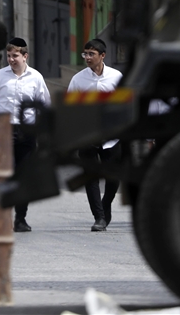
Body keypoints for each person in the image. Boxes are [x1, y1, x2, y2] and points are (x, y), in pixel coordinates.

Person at [0, 37, 51, 233]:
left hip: (27, 132)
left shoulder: (36, 78)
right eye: (9, 55)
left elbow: (44, 106)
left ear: (25, 56)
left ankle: (20, 218)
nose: (11, 59)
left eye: (15, 56)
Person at [67, 38, 124, 232]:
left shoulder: (117, 78)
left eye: (92, 54)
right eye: (85, 54)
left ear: (102, 56)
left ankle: (106, 203)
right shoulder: (78, 79)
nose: (87, 58)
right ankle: (99, 217)